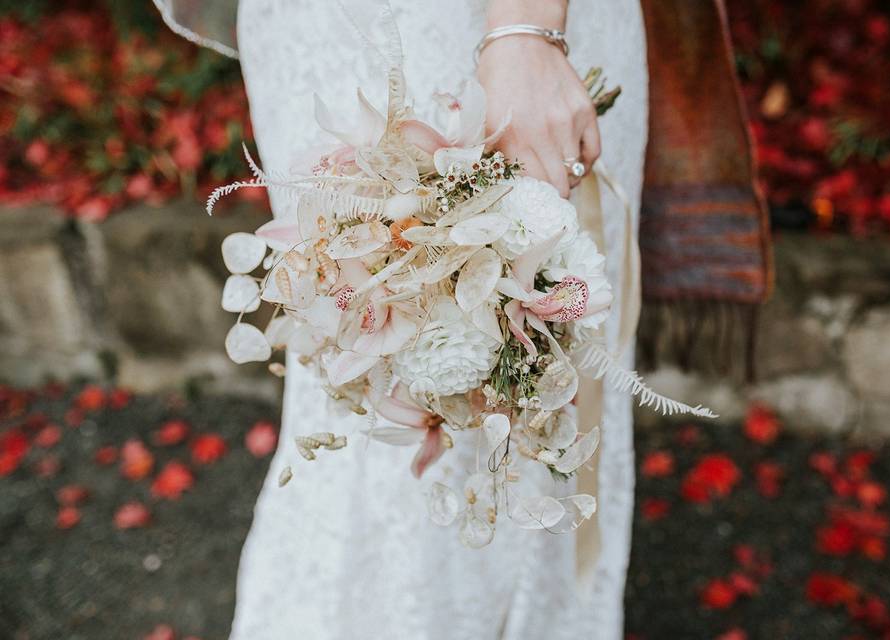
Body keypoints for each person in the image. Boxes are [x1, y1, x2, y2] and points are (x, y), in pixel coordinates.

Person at [156, 0, 648, 637]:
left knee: (528, 382)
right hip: (340, 25)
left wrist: (524, 32)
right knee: (365, 363)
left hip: (507, 31)